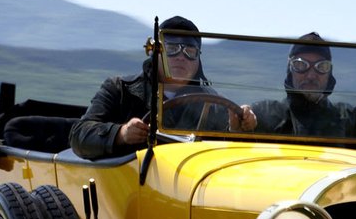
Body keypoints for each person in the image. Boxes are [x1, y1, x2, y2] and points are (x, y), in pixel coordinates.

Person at [70, 16, 253, 159]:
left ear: (199, 59)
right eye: (172, 49)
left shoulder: (213, 103)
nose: (181, 57)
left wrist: (239, 129)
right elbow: (79, 135)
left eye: (190, 52)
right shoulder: (120, 90)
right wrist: (121, 133)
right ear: (157, 52)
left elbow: (223, 157)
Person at [245, 32, 356, 140]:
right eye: (301, 65)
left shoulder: (351, 119)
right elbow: (235, 151)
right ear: (290, 70)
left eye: (321, 66)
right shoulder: (263, 114)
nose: (311, 75)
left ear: (329, 73)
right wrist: (240, 125)